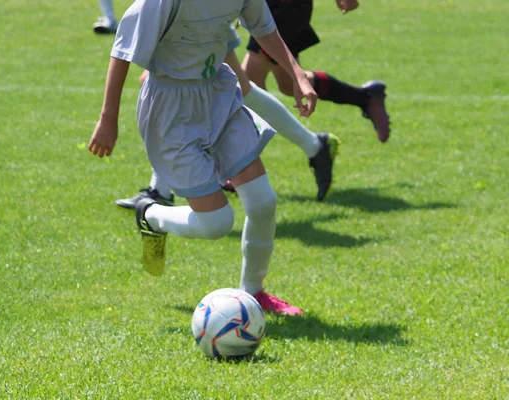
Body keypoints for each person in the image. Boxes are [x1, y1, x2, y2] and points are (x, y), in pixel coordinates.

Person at [88, 0, 318, 315]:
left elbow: (264, 28)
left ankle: (253, 293)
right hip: (171, 110)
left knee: (264, 202)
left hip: (218, 94)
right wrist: (108, 118)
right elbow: (122, 50)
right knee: (216, 223)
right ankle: (150, 214)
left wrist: (297, 75)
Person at [115, 24, 341, 210]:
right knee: (241, 88)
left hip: (201, 14)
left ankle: (161, 191)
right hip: (194, 15)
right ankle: (314, 145)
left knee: (230, 87)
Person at [242, 0, 391, 143]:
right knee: (288, 84)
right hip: (271, 5)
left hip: (283, 6)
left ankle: (313, 147)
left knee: (248, 81)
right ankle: (365, 97)